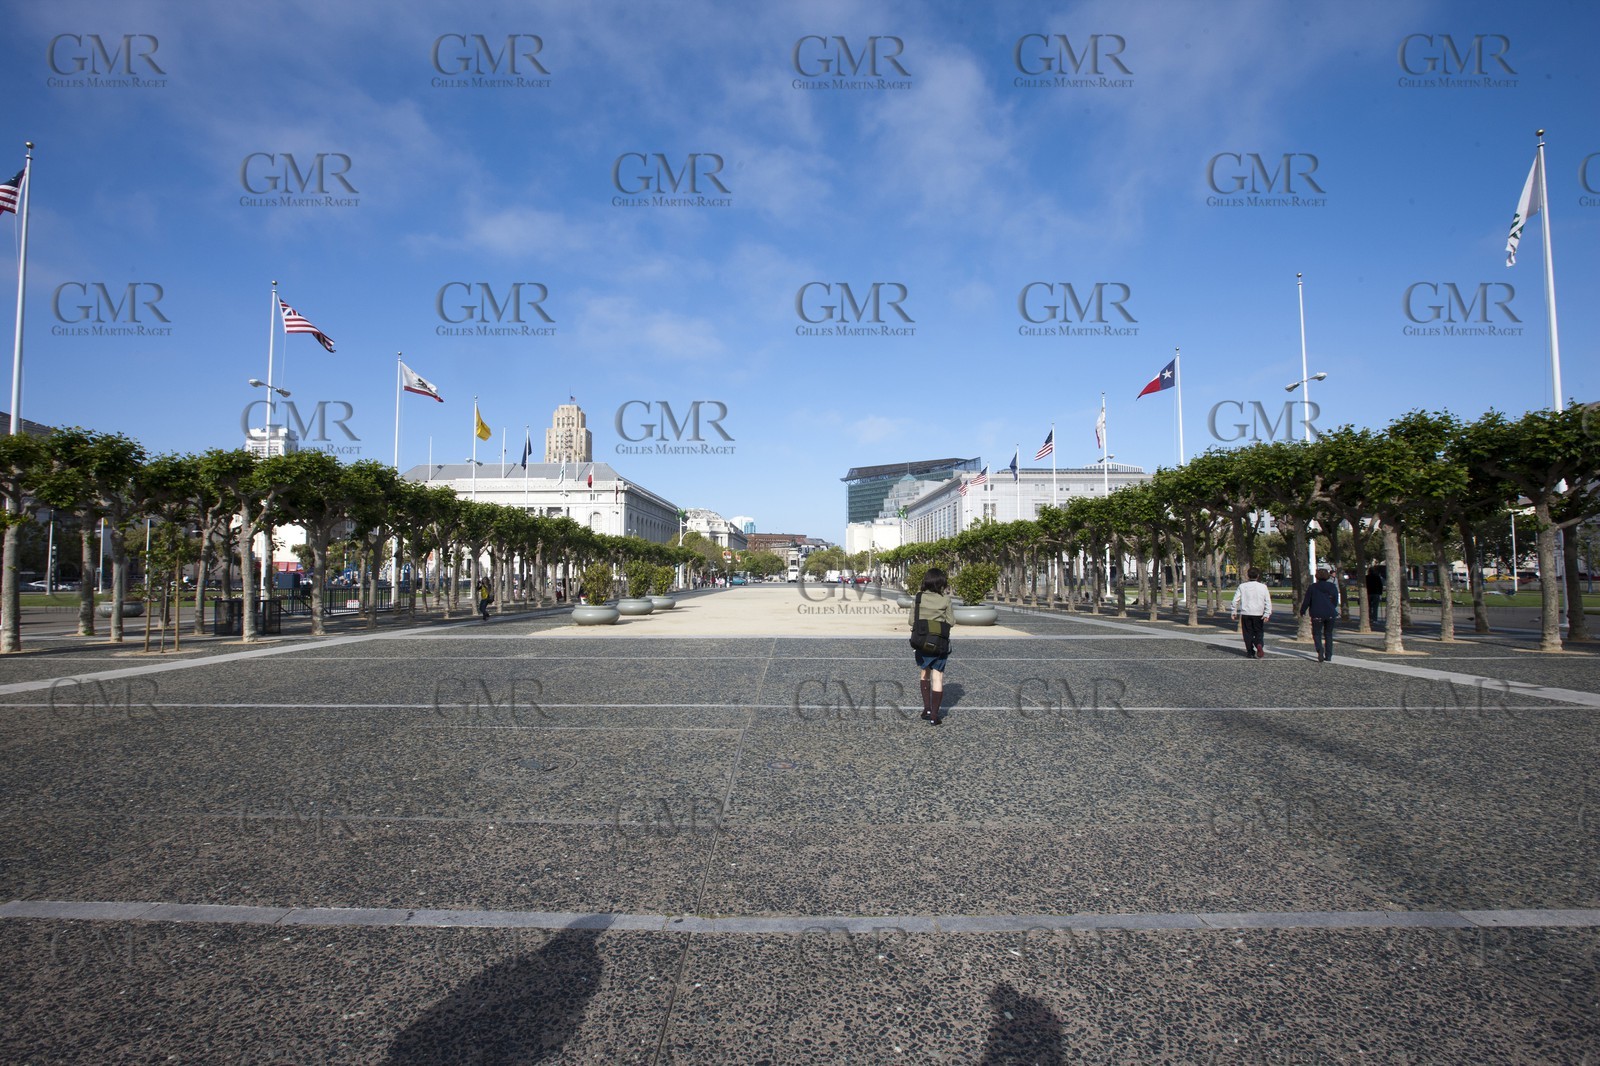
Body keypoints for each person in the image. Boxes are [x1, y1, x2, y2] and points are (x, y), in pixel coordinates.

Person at [910, 567, 955, 725]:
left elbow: (911, 622)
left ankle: (926, 709)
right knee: (938, 677)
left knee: (924, 673)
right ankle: (935, 716)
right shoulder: (945, 600)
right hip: (939, 643)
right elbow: (951, 622)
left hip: (921, 642)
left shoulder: (918, 598)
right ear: (941, 583)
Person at [1230, 567, 1272, 658]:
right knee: (1259, 632)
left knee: (1247, 633)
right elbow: (1267, 601)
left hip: (1246, 613)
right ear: (1258, 576)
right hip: (1258, 613)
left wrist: (1234, 611)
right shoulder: (1263, 587)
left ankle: (1250, 651)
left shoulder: (1242, 586)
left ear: (1248, 576)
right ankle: (1259, 644)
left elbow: (1235, 600)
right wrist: (1267, 613)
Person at [1301, 568, 1340, 662]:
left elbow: (1307, 600)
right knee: (1328, 634)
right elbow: (1335, 600)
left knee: (1317, 633)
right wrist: (1331, 607)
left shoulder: (1313, 587)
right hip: (1330, 613)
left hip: (1317, 613)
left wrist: (1302, 610)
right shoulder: (1332, 586)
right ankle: (1329, 655)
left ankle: (1320, 650)